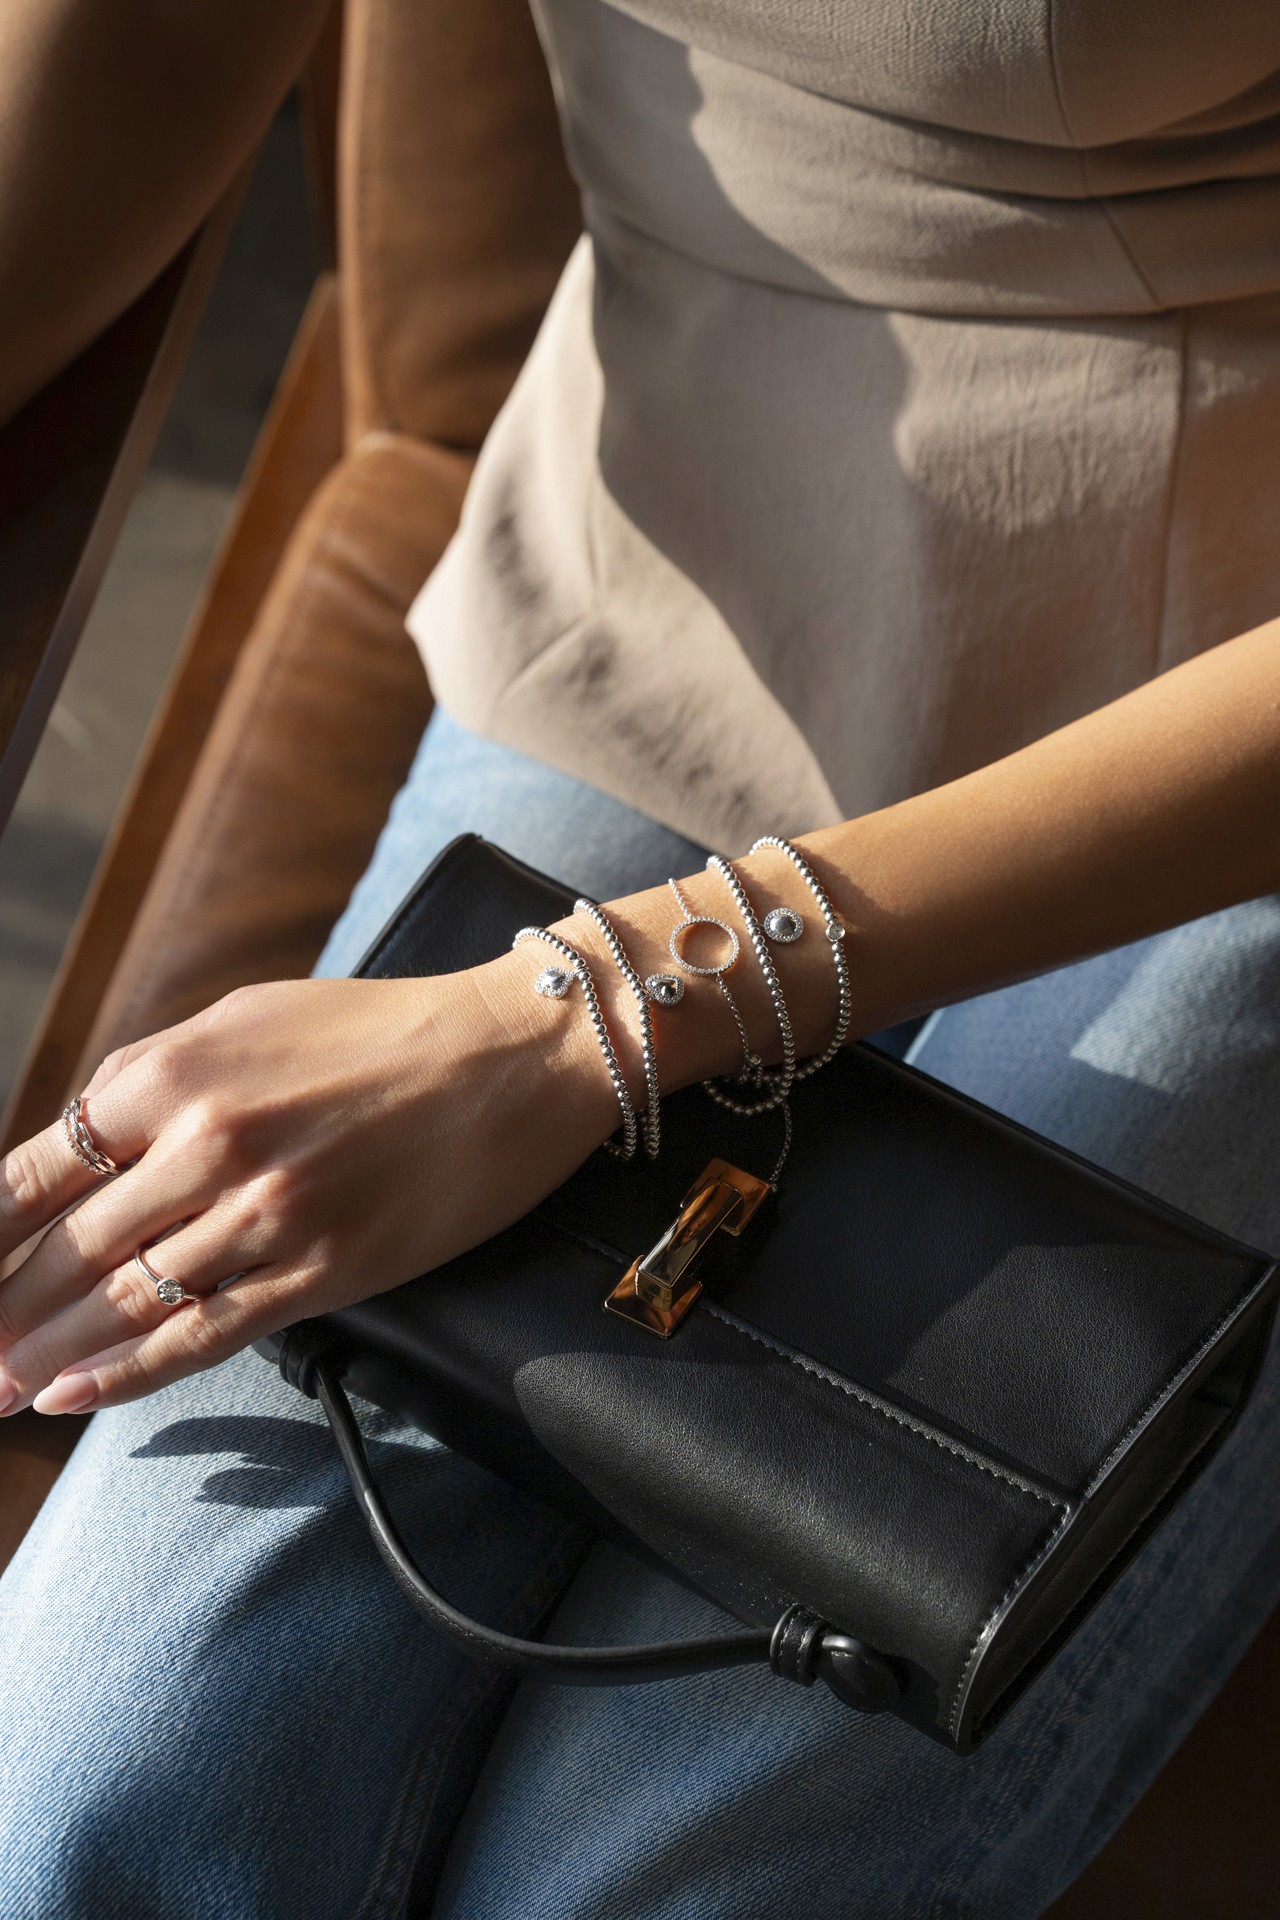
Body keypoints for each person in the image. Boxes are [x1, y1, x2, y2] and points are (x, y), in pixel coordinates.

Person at [2, 1, 1280, 1915]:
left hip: (1220, 757)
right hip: (670, 574)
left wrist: (584, 1021)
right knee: (80, 1800)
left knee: (639, 1881)